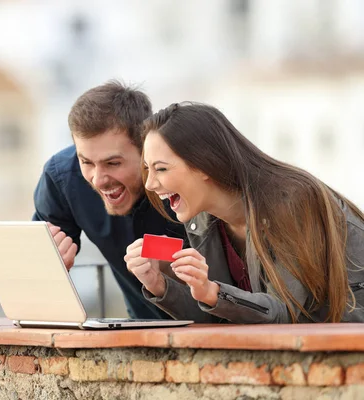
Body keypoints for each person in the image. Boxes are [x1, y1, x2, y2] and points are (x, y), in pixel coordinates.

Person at [125, 102, 364, 323]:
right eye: (148, 169)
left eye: (161, 169)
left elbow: (285, 313)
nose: (150, 185)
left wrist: (212, 291)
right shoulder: (202, 219)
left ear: (203, 164)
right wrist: (161, 285)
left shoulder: (291, 200)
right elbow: (221, 318)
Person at [32, 81, 188, 320]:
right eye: (86, 162)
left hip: (213, 329)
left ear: (146, 149)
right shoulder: (61, 177)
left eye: (113, 163)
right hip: (138, 332)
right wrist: (47, 268)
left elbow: (215, 260)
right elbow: (34, 280)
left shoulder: (184, 171)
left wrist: (159, 251)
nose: (98, 180)